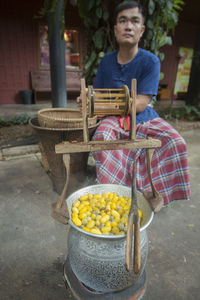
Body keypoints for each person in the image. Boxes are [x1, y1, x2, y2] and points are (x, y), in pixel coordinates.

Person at [83, 0, 191, 210]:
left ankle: (154, 192)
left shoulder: (150, 61)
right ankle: (116, 195)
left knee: (176, 141)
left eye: (134, 21)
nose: (128, 26)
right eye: (123, 21)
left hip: (144, 118)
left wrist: (106, 102)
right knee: (102, 137)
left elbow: (141, 103)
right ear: (115, 30)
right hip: (113, 119)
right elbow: (98, 96)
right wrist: (88, 99)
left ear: (141, 30)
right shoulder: (106, 62)